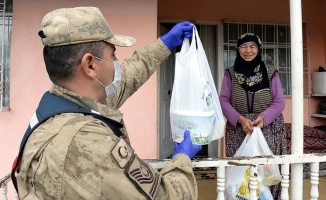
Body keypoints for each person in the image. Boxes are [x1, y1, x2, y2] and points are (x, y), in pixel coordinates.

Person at [13, 7, 202, 200]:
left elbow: (129, 75)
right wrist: (182, 159)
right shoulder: (86, 143)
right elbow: (168, 197)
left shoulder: (65, 102)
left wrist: (166, 43)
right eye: (113, 55)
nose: (117, 63)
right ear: (90, 65)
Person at [219, 33, 287, 200]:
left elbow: (279, 101)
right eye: (243, 46)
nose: (247, 51)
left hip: (268, 128)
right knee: (240, 171)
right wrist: (240, 119)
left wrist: (264, 118)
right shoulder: (230, 73)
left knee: (267, 172)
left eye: (252, 46)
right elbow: (223, 100)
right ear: (237, 49)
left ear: (259, 49)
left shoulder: (271, 72)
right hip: (239, 129)